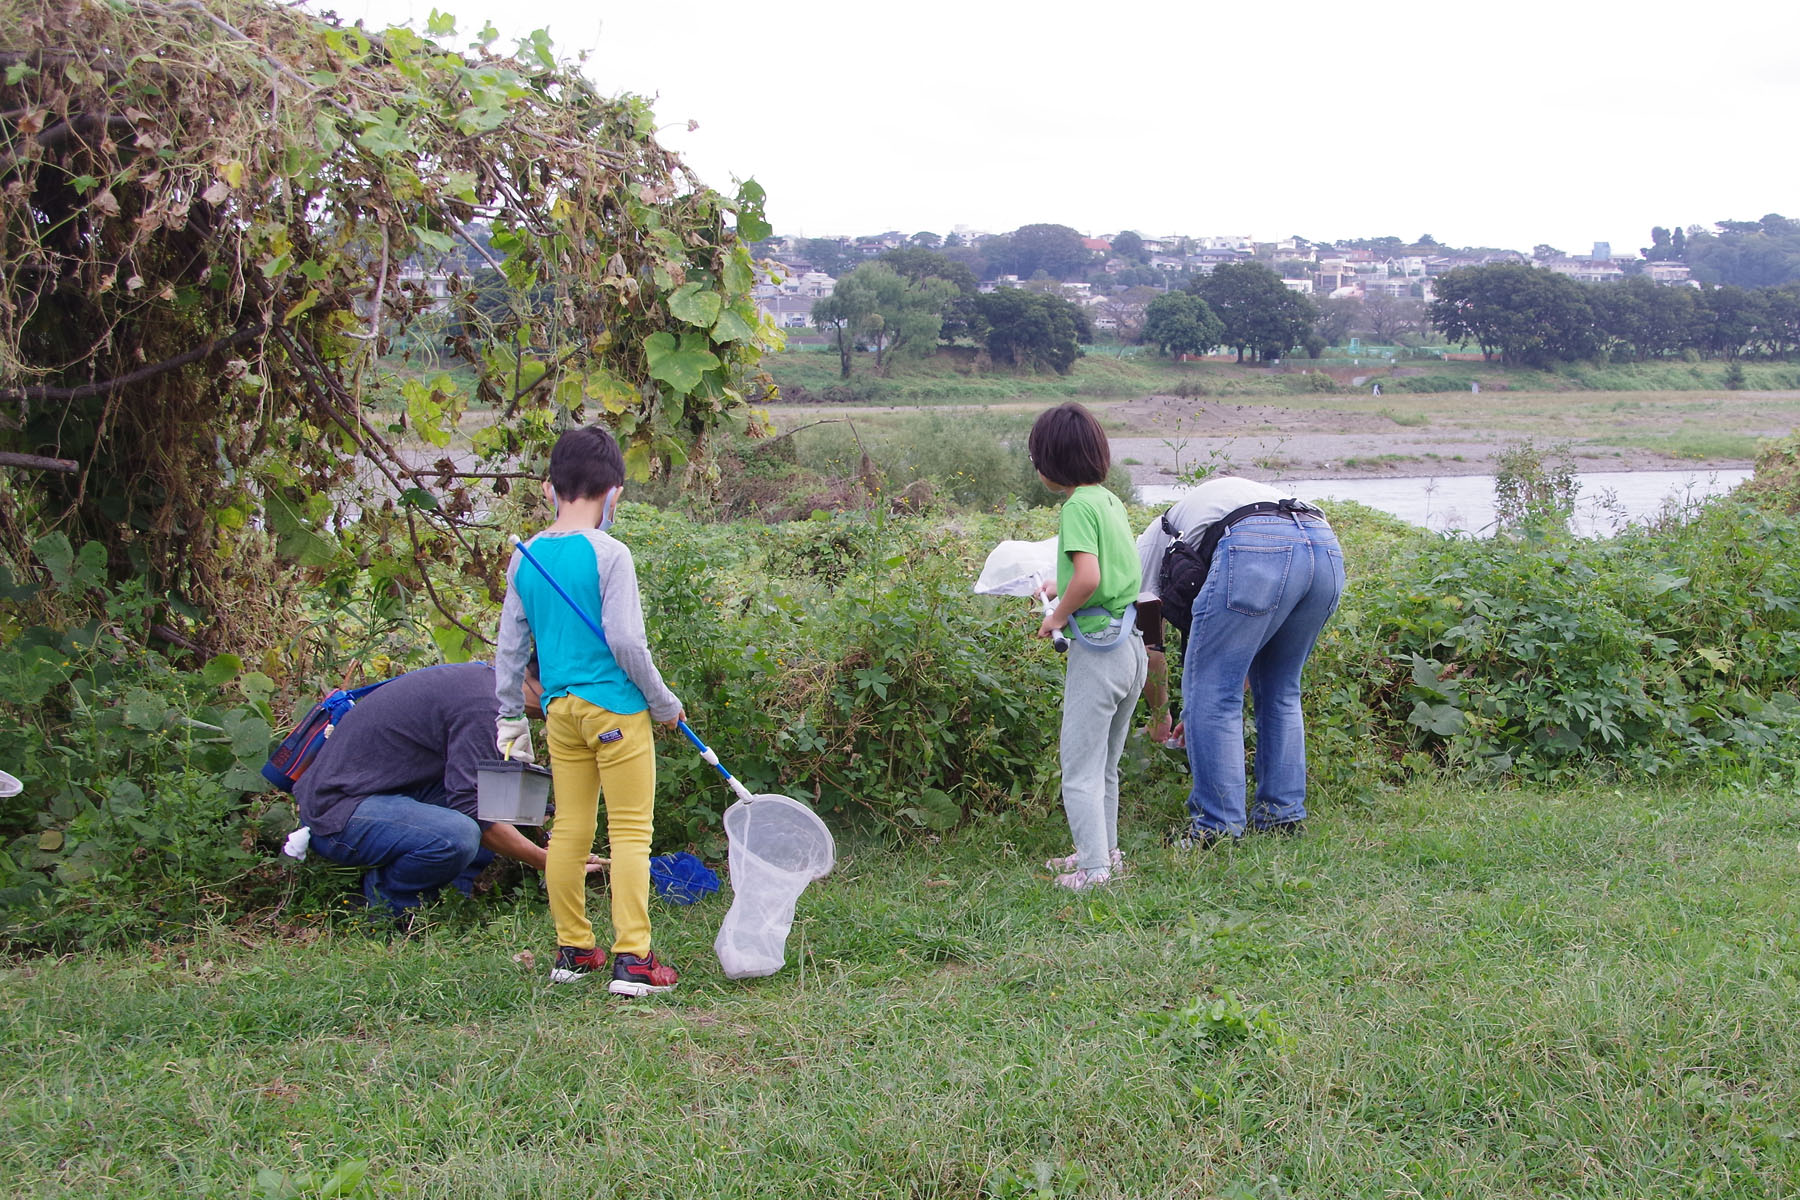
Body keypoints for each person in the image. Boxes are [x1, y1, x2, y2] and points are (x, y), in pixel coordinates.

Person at [496, 425, 686, 994]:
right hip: (615, 711)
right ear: (615, 494)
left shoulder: (525, 556)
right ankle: (634, 960)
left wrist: (509, 717)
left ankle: (573, 950)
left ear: (551, 488)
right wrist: (663, 703)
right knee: (631, 832)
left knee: (571, 828)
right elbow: (627, 643)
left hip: (559, 712)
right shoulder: (611, 553)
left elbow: (509, 648)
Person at [1136, 476, 1344, 846]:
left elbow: (1152, 647)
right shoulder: (1187, 522)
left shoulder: (1147, 548)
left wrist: (1162, 714)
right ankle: (1281, 816)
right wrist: (1198, 716)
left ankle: (1215, 830)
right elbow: (1246, 647)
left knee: (1211, 694)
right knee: (1281, 688)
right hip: (1322, 545)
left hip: (1255, 543)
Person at [295, 662, 593, 915]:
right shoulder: (484, 705)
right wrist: (549, 864)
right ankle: (387, 912)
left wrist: (560, 846)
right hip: (337, 811)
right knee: (459, 834)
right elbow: (477, 813)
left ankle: (446, 908)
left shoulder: (488, 685)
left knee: (507, 801)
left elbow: (490, 800)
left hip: (384, 791)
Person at [1027, 403, 1148, 891]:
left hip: (1098, 648)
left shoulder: (1076, 506)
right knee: (1105, 765)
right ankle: (1105, 853)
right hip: (1132, 645)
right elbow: (1105, 574)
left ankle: (1094, 873)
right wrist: (1061, 587)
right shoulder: (1109, 501)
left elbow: (1091, 576)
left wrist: (1055, 617)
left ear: (1052, 462)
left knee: (1078, 767)